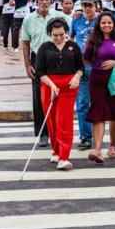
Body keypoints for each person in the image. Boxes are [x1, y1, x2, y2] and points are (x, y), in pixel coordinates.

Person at [83, 11, 115, 163]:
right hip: (97, 80)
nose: (106, 25)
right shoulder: (93, 39)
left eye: (109, 23)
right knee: (98, 113)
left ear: (114, 24)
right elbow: (85, 58)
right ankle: (97, 149)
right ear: (99, 25)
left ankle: (113, 145)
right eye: (103, 23)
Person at [36, 18, 85, 171]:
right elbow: (40, 71)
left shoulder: (73, 46)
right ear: (50, 34)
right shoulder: (44, 48)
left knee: (64, 121)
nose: (58, 38)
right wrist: (51, 85)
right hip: (48, 85)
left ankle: (64, 157)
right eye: (55, 35)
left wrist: (76, 77)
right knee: (51, 121)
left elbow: (80, 67)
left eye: (61, 35)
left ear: (66, 33)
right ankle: (56, 151)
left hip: (68, 87)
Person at [21, 0, 66, 148]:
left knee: (58, 96)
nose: (44, 2)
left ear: (52, 0)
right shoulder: (29, 19)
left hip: (57, 58)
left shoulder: (58, 17)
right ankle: (43, 133)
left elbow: (72, 27)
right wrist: (27, 65)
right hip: (37, 60)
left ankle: (58, 130)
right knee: (39, 98)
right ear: (36, 1)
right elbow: (25, 43)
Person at [69, 0, 99, 149]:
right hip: (81, 68)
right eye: (85, 5)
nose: (87, 8)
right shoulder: (76, 19)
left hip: (98, 67)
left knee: (99, 103)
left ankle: (98, 136)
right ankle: (85, 137)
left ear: (96, 6)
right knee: (82, 104)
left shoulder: (101, 20)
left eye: (90, 5)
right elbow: (70, 37)